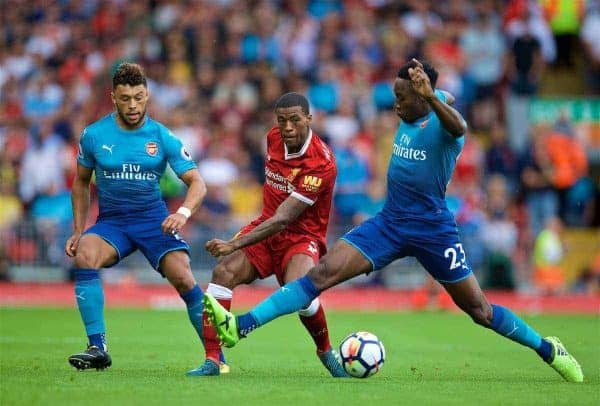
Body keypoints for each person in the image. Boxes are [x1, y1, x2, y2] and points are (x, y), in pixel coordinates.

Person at [204, 60, 584, 383]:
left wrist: (432, 95)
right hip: (389, 222)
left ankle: (548, 348)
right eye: (396, 97)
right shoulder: (416, 106)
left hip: (433, 230)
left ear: (424, 97)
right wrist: (426, 89)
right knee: (320, 275)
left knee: (480, 311)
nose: (396, 105)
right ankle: (242, 326)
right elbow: (436, 94)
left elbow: (459, 127)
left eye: (402, 99)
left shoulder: (444, 126)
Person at [65, 62, 213, 374]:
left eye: (139, 97)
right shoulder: (93, 135)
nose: (133, 105)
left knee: (184, 277)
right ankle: (97, 348)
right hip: (113, 223)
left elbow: (198, 183)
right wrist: (79, 230)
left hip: (153, 220)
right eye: (125, 98)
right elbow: (80, 181)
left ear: (147, 96)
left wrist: (182, 213)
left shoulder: (162, 136)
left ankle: (215, 358)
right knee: (85, 255)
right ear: (113, 98)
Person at [189, 92, 347, 377]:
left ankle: (325, 350)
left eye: (295, 120)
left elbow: (285, 218)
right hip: (266, 227)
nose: (287, 128)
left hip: (301, 236)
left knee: (303, 290)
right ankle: (214, 360)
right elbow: (273, 213)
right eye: (282, 120)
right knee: (223, 273)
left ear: (309, 120)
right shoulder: (273, 138)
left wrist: (234, 243)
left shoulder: (321, 163)